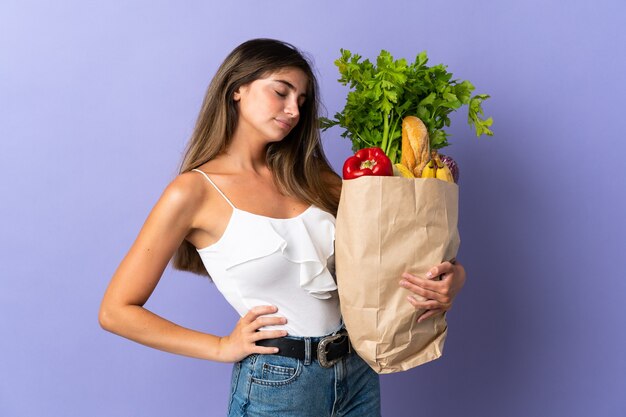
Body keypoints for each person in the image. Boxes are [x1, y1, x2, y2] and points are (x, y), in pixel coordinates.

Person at [99, 38, 466, 417]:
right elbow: (115, 311)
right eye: (281, 92)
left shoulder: (311, 175)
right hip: (279, 381)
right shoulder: (192, 192)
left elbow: (390, 248)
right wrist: (221, 346)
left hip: (357, 368)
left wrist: (453, 277)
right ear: (237, 88)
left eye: (302, 101)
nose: (293, 110)